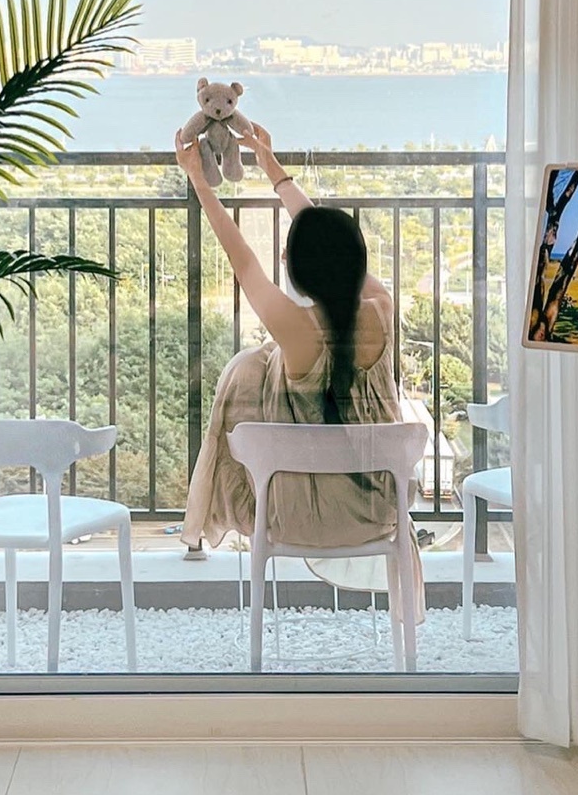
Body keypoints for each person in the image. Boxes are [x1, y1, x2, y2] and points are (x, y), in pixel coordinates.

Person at [175, 120, 424, 618]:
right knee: (257, 365)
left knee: (249, 367)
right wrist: (273, 168)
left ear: (290, 264)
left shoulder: (294, 331)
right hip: (379, 512)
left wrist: (200, 180)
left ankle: (202, 529)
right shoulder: (381, 310)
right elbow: (333, 253)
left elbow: (243, 261)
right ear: (358, 262)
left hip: (291, 520)